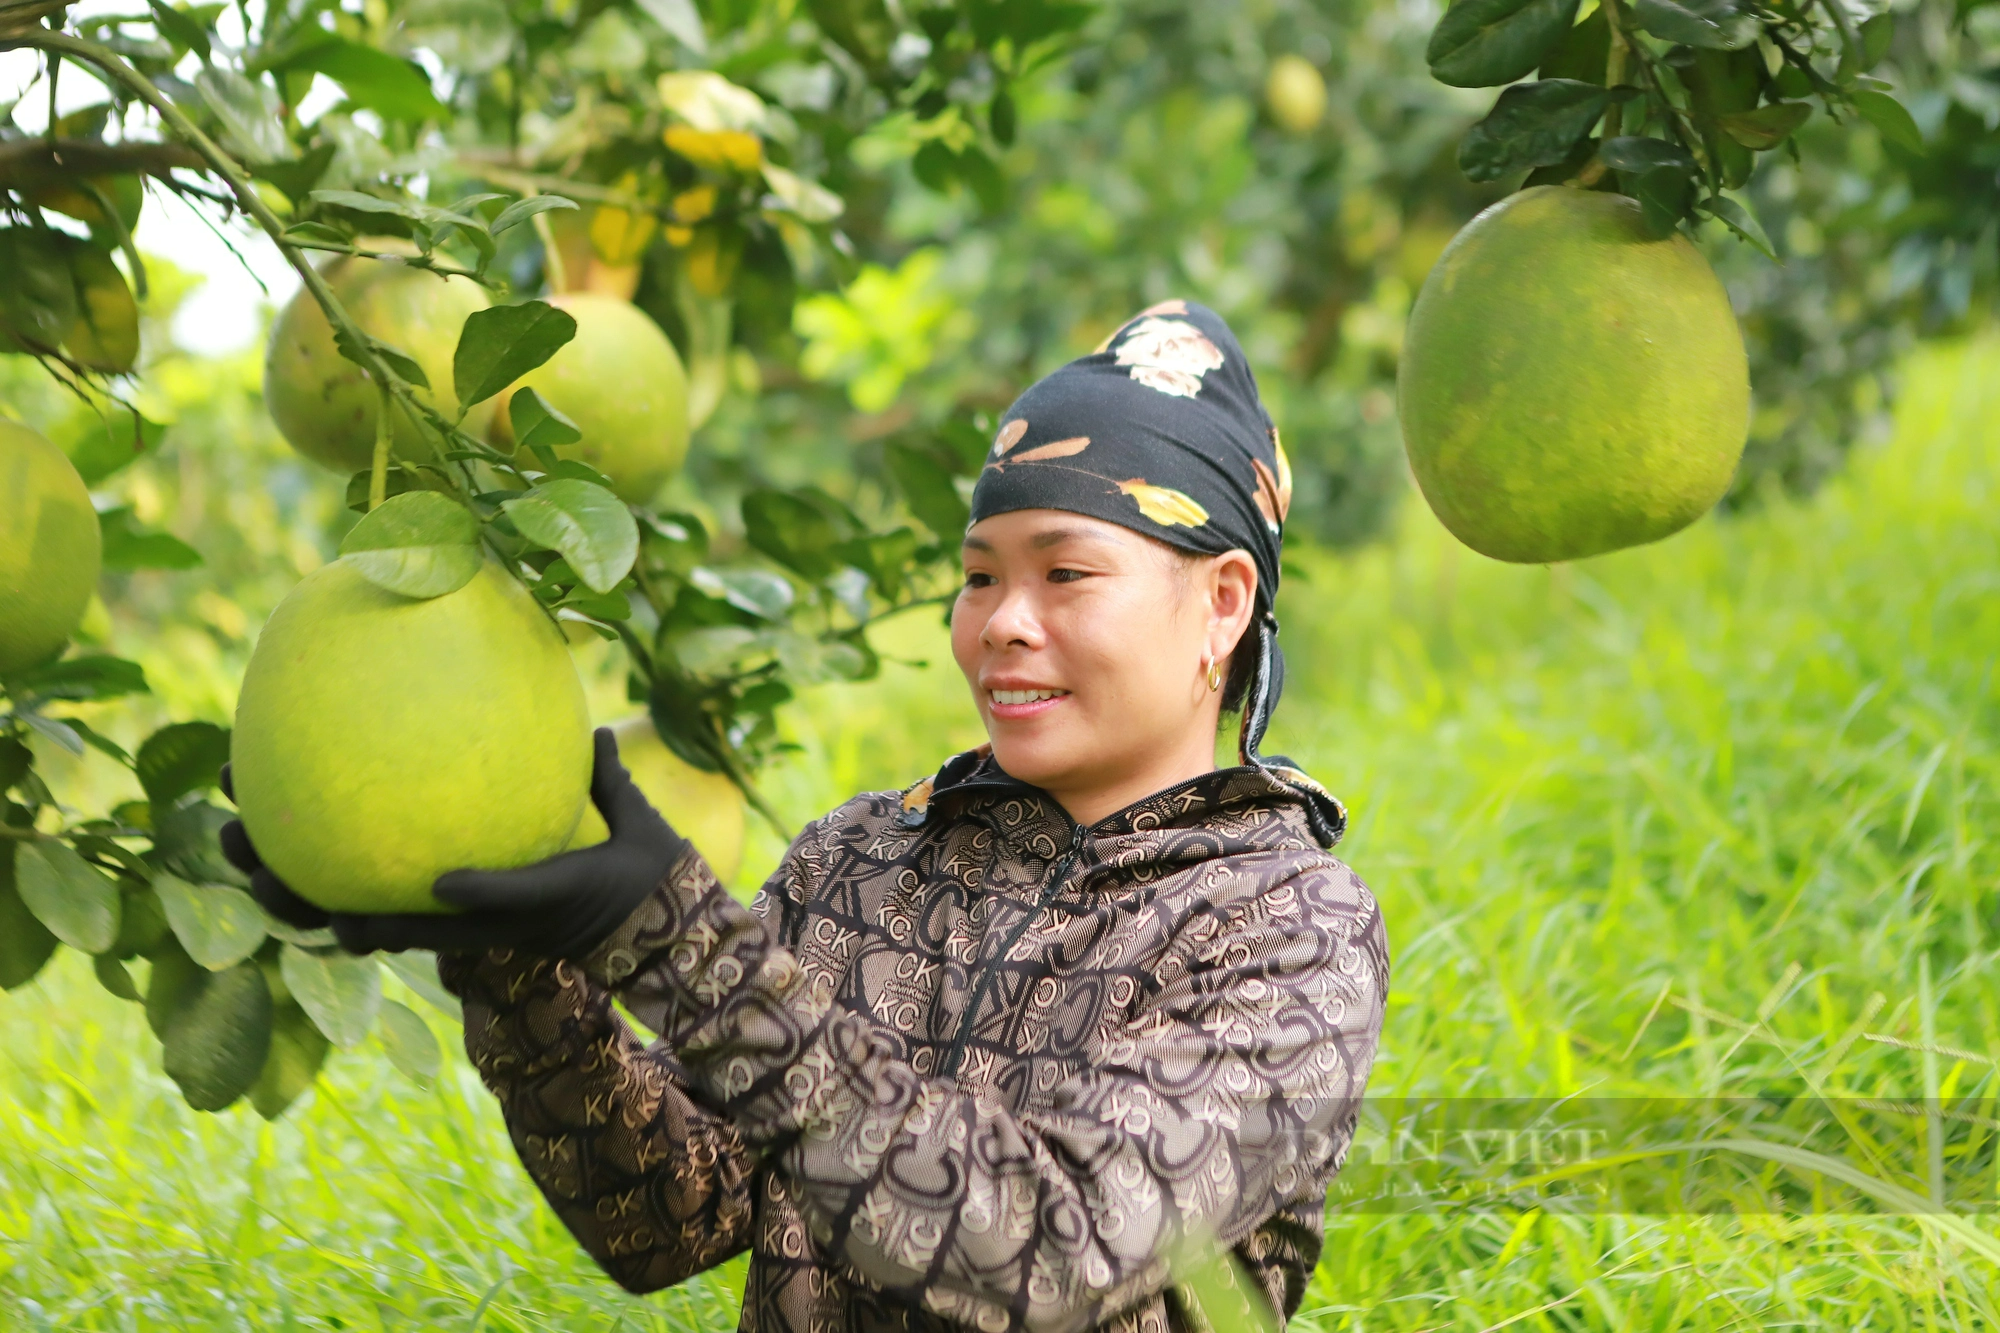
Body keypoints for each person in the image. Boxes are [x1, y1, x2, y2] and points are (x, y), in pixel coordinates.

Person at [223, 300, 1389, 1333]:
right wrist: (521, 966)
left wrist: (673, 940)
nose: (1000, 623)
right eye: (979, 575)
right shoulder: (865, 862)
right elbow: (665, 1212)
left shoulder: (1289, 927)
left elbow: (1045, 1246)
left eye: (1063, 573)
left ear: (1222, 603)